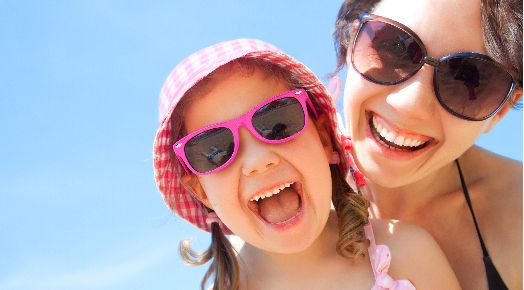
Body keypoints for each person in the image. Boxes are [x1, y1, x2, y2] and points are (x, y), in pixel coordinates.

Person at [153, 38, 460, 290]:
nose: (258, 161)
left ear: (325, 137)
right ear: (201, 191)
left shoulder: (406, 252)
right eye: (214, 150)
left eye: (277, 123)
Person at [332, 0, 522, 289]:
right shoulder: (278, 195)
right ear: (351, 41)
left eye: (468, 78)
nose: (409, 106)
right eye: (394, 46)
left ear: (501, 110)